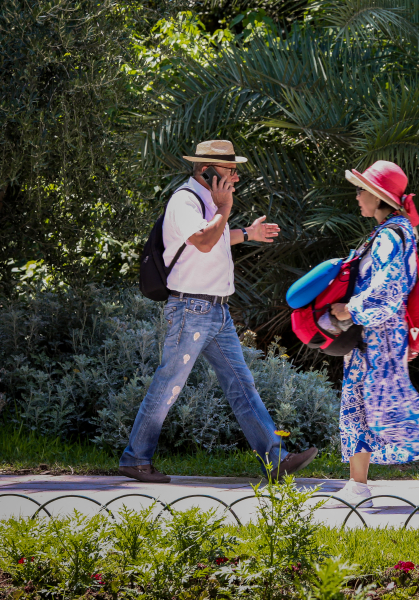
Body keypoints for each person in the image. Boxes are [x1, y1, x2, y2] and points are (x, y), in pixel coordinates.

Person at [119, 140, 319, 483]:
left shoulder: (208, 202)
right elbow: (204, 241)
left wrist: (248, 233)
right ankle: (135, 458)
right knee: (169, 386)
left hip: (216, 312)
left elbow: (216, 239)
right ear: (206, 170)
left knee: (242, 387)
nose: (236, 177)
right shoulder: (185, 200)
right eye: (230, 171)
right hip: (192, 309)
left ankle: (276, 460)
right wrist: (225, 210)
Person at [328, 160, 419, 507]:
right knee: (359, 406)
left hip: (381, 335)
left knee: (387, 409)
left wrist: (351, 309)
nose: (358, 196)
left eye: (363, 190)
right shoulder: (389, 231)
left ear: (379, 198)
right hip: (374, 335)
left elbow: (390, 287)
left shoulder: (391, 235)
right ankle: (358, 486)